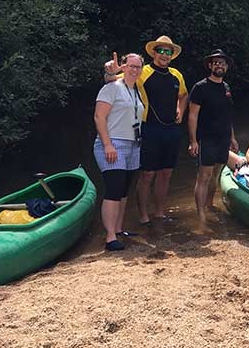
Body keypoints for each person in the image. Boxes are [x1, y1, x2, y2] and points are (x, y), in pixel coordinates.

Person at [104, 36, 188, 225]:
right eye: (161, 51)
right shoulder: (143, 72)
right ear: (154, 53)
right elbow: (113, 81)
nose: (165, 55)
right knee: (148, 174)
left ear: (172, 55)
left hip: (171, 130)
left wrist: (180, 110)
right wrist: (112, 72)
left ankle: (159, 212)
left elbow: (184, 95)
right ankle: (143, 216)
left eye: (169, 52)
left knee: (166, 172)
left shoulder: (176, 75)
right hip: (149, 128)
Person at [93, 53, 145, 251]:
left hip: (133, 144)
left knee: (124, 190)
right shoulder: (111, 88)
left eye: (138, 67)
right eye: (130, 66)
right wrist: (107, 145)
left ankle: (119, 228)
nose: (134, 70)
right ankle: (110, 237)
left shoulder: (136, 90)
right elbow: (99, 117)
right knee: (114, 189)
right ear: (123, 67)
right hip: (112, 143)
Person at [188, 49, 239, 223]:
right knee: (204, 176)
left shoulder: (226, 88)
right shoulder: (200, 87)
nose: (220, 65)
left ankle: (209, 206)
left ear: (226, 67)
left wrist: (232, 138)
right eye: (216, 62)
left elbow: (227, 114)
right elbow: (192, 115)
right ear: (210, 65)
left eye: (223, 63)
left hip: (224, 138)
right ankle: (201, 216)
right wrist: (193, 141)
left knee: (216, 174)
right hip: (206, 138)